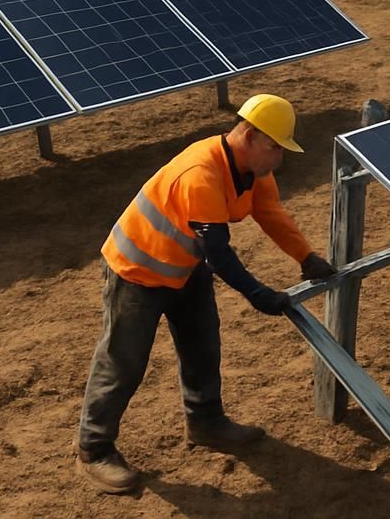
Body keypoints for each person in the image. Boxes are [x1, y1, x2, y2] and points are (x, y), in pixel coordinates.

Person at [74, 93, 337, 494]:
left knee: (202, 346)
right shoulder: (202, 173)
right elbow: (219, 253)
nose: (279, 160)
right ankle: (93, 449)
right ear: (248, 135)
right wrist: (258, 293)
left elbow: (271, 214)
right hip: (138, 270)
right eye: (274, 148)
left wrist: (306, 256)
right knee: (122, 363)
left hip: (183, 265)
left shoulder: (252, 171)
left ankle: (206, 422)